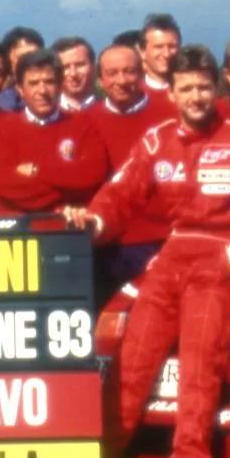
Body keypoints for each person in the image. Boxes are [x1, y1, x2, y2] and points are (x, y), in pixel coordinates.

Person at [67, 46, 230, 458]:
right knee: (133, 360)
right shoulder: (156, 141)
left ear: (218, 88)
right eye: (186, 87)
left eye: (203, 87)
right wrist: (92, 222)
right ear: (170, 92)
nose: (195, 95)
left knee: (198, 365)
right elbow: (120, 194)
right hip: (170, 258)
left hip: (220, 262)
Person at [81, 43, 174, 301]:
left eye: (129, 71)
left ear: (142, 73)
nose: (121, 81)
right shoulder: (84, 121)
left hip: (159, 244)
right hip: (105, 246)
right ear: (100, 80)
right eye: (112, 74)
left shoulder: (170, 116)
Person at [0, 48, 107, 215]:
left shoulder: (82, 124)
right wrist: (61, 200)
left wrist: (37, 170)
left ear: (60, 85)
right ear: (20, 89)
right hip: (17, 231)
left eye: (49, 82)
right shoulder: (2, 128)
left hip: (65, 228)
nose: (42, 91)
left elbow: (92, 176)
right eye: (33, 83)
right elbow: (1, 182)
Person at [0, 26, 45, 110]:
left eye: (34, 56)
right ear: (9, 63)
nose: (29, 63)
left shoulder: (60, 99)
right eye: (22, 58)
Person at [139, 13, 181, 95]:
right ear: (142, 52)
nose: (166, 54)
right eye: (159, 47)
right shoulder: (132, 97)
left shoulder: (192, 96)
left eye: (172, 46)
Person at [53, 36, 97, 112]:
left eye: (80, 65)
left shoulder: (113, 112)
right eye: (65, 67)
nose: (73, 74)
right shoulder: (47, 115)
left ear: (93, 67)